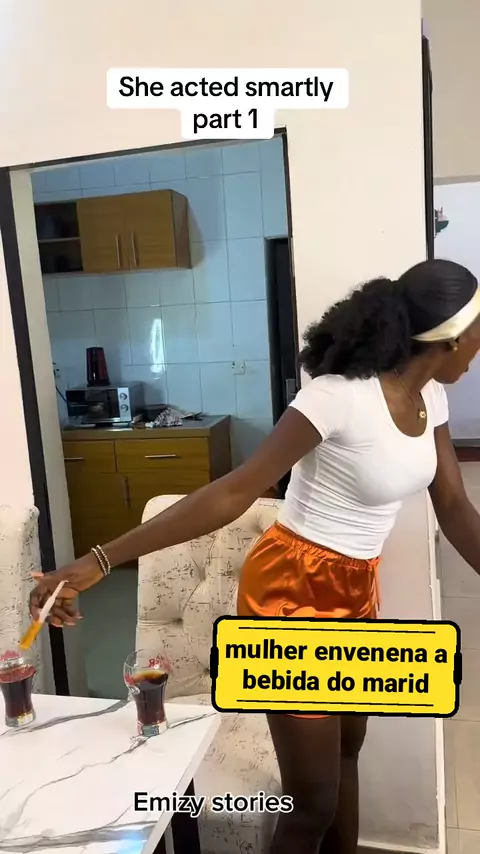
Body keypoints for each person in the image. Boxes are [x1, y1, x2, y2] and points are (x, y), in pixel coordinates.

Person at [30, 258, 480, 854]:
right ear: (451, 338)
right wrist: (101, 560)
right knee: (311, 801)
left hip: (356, 590)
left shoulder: (431, 398)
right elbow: (236, 490)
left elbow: (454, 505)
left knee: (347, 754)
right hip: (291, 592)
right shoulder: (338, 396)